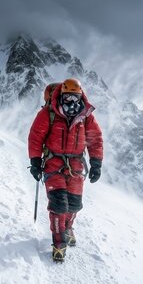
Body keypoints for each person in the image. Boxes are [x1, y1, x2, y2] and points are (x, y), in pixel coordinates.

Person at [27, 78, 103, 262]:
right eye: (67, 97)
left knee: (74, 205)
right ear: (61, 95)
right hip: (53, 165)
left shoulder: (86, 116)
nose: (72, 102)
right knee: (59, 205)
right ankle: (59, 243)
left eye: (75, 98)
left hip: (76, 167)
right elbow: (35, 137)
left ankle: (68, 228)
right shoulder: (48, 113)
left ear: (80, 97)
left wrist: (96, 163)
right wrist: (36, 162)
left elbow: (95, 139)